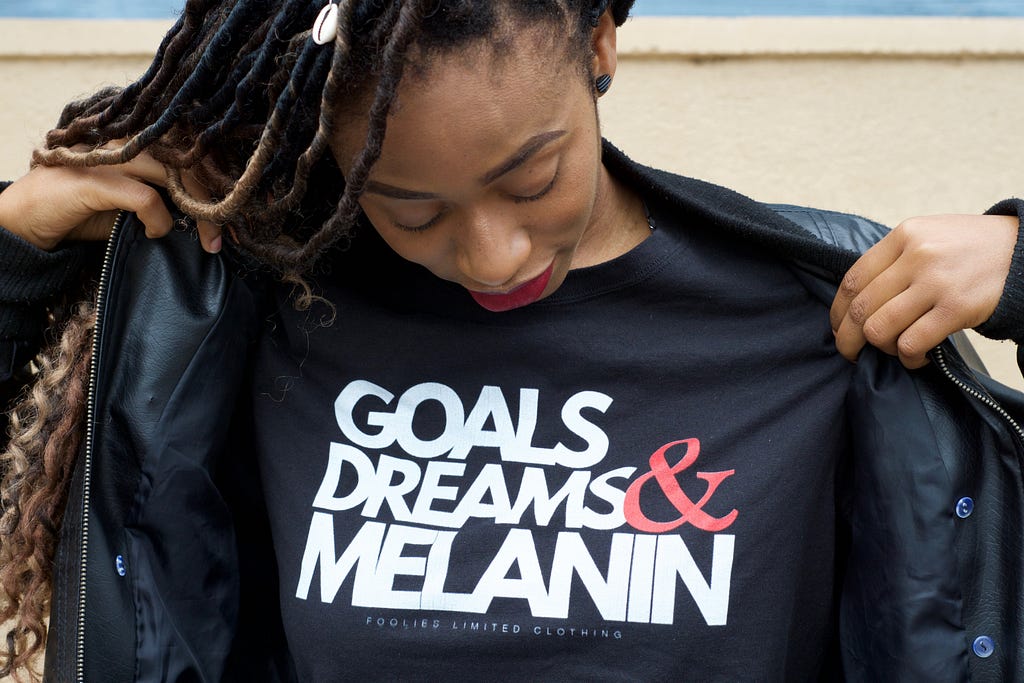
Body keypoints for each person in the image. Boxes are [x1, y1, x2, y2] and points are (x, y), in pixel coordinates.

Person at [0, 0, 1021, 680]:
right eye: (410, 207)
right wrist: (17, 252)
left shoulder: (823, 310)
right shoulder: (261, 307)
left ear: (599, 46)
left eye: (533, 177)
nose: (492, 256)